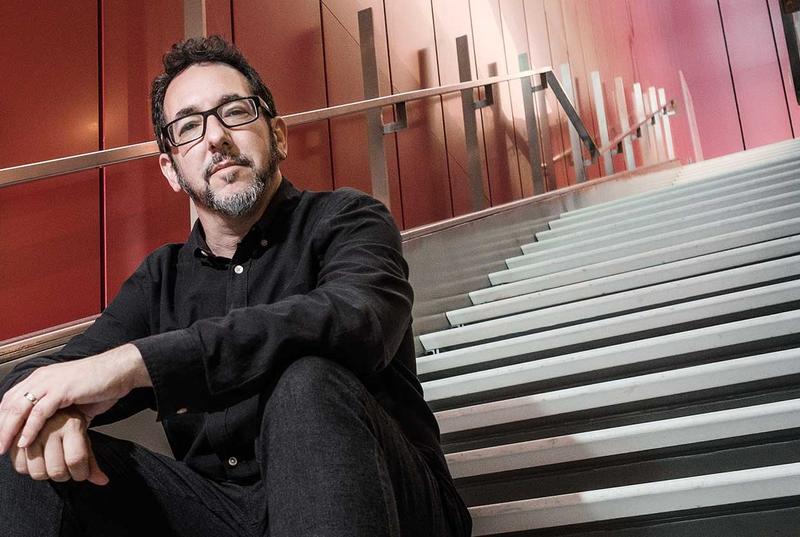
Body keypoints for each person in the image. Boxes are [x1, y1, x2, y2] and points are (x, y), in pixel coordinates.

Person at [0, 35, 471, 536]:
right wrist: (46, 412)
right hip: (218, 513)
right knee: (17, 445)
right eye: (188, 127)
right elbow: (38, 375)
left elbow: (357, 320)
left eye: (236, 113)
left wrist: (136, 364)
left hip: (383, 496)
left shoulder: (348, 219)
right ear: (171, 171)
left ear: (279, 135)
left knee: (306, 382)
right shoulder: (161, 279)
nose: (215, 137)